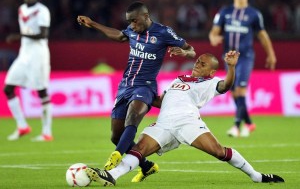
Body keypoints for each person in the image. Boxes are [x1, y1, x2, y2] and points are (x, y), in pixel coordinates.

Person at [84, 51, 284, 186]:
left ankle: (256, 176)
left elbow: (226, 86)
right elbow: (162, 101)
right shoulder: (179, 79)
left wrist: (231, 67)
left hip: (188, 122)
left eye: (202, 64)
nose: (197, 64)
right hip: (164, 123)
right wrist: (139, 95)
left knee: (219, 152)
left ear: (211, 71)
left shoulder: (211, 82)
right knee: (139, 150)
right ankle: (111, 176)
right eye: (197, 61)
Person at [77, 1, 196, 182]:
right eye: (129, 22)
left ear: (146, 17)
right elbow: (119, 36)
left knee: (133, 115)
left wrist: (184, 53)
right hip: (125, 86)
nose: (132, 25)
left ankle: (116, 156)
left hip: (145, 86)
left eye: (134, 21)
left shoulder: (163, 32)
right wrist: (92, 23)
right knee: (116, 135)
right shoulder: (132, 31)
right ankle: (147, 166)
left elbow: (191, 51)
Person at [209, 0, 277, 137]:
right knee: (233, 92)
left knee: (240, 89)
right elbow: (214, 31)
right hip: (228, 58)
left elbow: (263, 36)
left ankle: (236, 126)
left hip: (245, 57)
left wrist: (271, 54)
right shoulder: (224, 12)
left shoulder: (254, 14)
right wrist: (214, 38)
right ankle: (249, 123)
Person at [4, 0, 53, 142]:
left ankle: (46, 132)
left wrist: (19, 36)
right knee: (8, 88)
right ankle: (22, 126)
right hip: (24, 55)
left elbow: (43, 34)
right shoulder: (21, 9)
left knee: (41, 91)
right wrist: (22, 37)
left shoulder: (42, 10)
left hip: (38, 55)